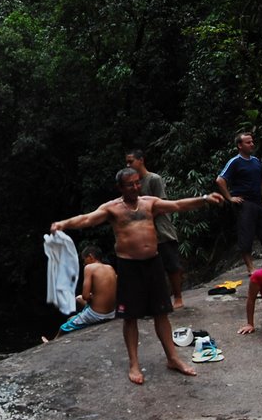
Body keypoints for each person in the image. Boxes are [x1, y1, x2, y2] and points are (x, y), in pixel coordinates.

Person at [50, 167, 224, 384]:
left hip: (153, 263)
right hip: (129, 267)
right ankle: (134, 364)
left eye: (137, 183)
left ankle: (173, 358)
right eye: (130, 184)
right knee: (130, 317)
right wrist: (63, 224)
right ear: (120, 187)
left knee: (162, 313)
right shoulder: (112, 209)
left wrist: (205, 198)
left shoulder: (149, 202)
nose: (135, 187)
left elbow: (178, 205)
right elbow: (87, 219)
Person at [125, 149, 184, 308]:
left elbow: (161, 204)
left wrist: (145, 217)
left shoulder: (153, 179)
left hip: (161, 229)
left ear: (141, 160)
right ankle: (158, 300)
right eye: (127, 162)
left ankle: (178, 297)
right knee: (151, 270)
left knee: (172, 265)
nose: (128, 165)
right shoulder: (132, 184)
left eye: (131, 161)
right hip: (143, 234)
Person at [216, 132, 262, 273]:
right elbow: (220, 180)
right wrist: (230, 198)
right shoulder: (235, 161)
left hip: (258, 202)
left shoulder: (256, 161)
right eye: (248, 142)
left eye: (252, 142)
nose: (252, 144)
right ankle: (250, 268)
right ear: (239, 145)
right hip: (244, 203)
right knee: (246, 235)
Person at [42, 245, 117, 342]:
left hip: (98, 314)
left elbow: (85, 296)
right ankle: (80, 316)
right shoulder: (110, 268)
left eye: (84, 260)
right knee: (78, 299)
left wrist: (91, 296)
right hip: (112, 312)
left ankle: (50, 344)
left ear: (90, 256)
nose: (84, 263)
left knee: (63, 328)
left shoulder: (89, 268)